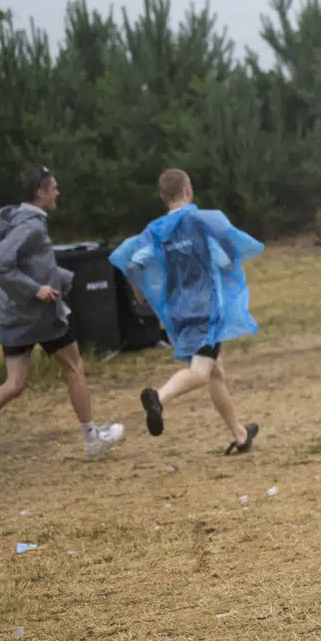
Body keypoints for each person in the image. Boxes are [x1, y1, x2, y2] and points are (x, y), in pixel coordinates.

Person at [0, 167, 124, 474]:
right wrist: (37, 290)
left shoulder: (17, 220)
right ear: (40, 193)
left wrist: (64, 278)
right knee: (74, 367)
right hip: (38, 314)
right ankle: (92, 438)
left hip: (13, 315)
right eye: (54, 188)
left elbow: (30, 264)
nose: (58, 193)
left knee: (15, 383)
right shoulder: (31, 225)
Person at [111, 169, 263, 455]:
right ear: (188, 191)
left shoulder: (155, 231)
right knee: (201, 371)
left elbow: (132, 263)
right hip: (208, 310)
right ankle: (160, 397)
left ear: (162, 197)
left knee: (216, 371)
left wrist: (139, 292)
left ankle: (240, 435)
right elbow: (231, 252)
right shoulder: (202, 221)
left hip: (179, 311)